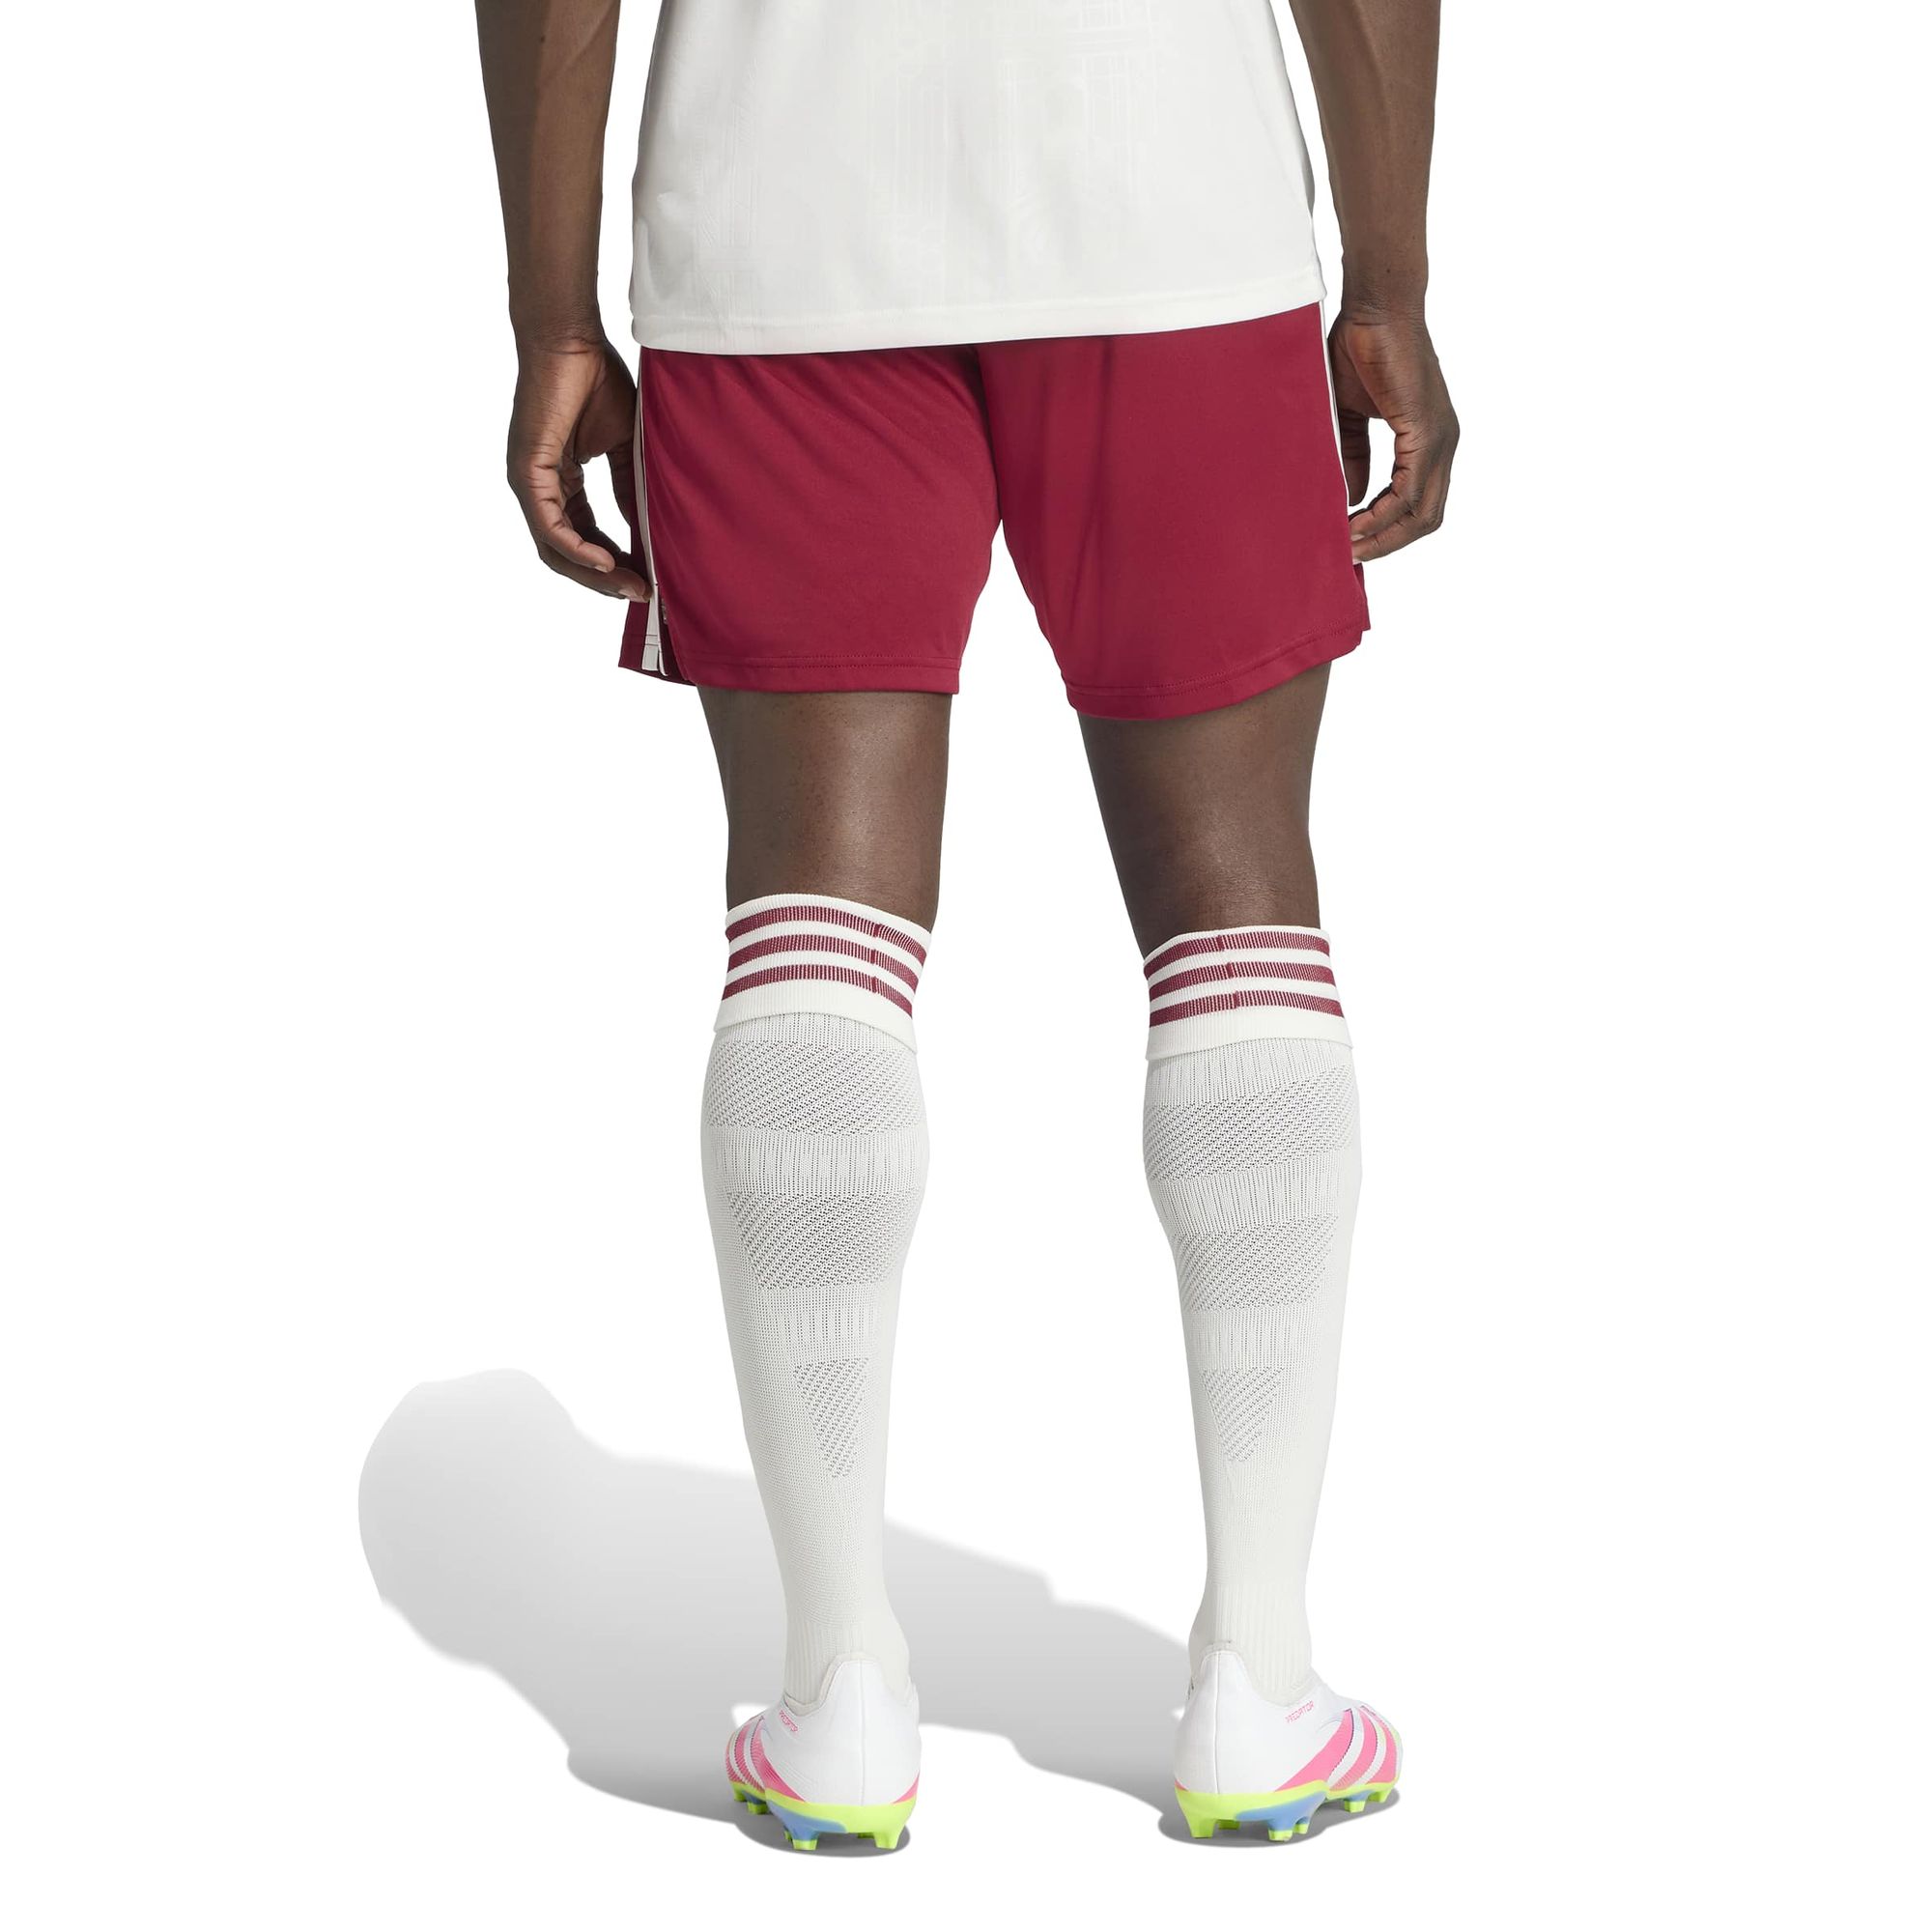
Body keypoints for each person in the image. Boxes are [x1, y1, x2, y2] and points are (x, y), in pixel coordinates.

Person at [475, 0, 1456, 1851]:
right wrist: (1390, 278)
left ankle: (842, 1691)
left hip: (776, 210)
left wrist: (553, 317)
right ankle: (1260, 1680)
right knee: (1234, 897)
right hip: (1169, 191)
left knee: (811, 913)